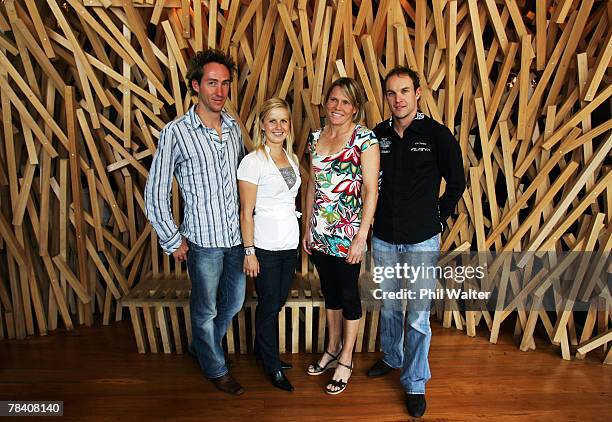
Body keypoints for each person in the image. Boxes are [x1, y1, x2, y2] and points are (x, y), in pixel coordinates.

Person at [145, 49, 246, 396]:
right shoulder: (176, 132)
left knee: (232, 303)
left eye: (225, 84)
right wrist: (172, 240)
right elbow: (155, 191)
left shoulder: (234, 129)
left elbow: (244, 183)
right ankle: (214, 366)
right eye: (212, 83)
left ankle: (203, 347)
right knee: (205, 310)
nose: (220, 91)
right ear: (196, 86)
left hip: (235, 239)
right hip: (202, 242)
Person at [367, 66, 465, 418]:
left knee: (418, 316)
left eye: (404, 91)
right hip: (385, 239)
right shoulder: (378, 135)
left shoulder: (436, 134)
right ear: (386, 97)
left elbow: (457, 181)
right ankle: (392, 357)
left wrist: (440, 216)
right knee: (391, 307)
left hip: (423, 239)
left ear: (418, 93)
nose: (398, 99)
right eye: (392, 93)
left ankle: (414, 382)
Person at [303, 78, 380, 395]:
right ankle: (332, 347)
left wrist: (362, 235)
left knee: (348, 293)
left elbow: (372, 190)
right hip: (319, 232)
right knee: (330, 292)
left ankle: (346, 358)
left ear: (355, 108)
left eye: (345, 102)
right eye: (333, 100)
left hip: (348, 234)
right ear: (325, 103)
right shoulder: (315, 137)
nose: (337, 107)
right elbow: (312, 185)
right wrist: (306, 226)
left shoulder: (365, 140)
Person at [237, 98, 301, 392]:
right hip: (264, 244)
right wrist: (249, 251)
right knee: (269, 304)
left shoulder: (292, 159)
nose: (278, 126)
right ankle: (272, 364)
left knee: (277, 302)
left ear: (289, 125)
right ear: (262, 125)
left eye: (283, 120)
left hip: (289, 243)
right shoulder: (253, 161)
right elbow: (245, 210)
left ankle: (264, 352)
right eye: (272, 120)